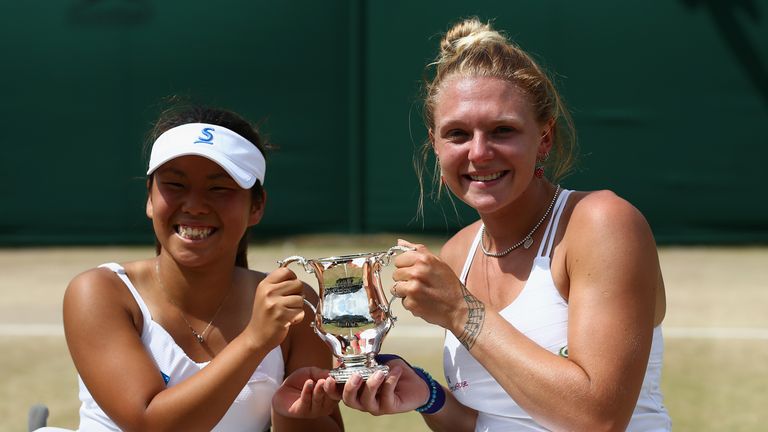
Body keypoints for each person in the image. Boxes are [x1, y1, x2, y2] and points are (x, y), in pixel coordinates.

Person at [327, 17, 672, 431]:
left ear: (544, 138)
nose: (479, 152)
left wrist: (461, 311)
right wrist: (427, 395)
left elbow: (597, 418)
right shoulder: (458, 253)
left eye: (502, 130)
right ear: (435, 145)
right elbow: (489, 421)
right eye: (457, 134)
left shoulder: (602, 223)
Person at [50, 104, 343, 431]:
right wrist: (254, 340)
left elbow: (317, 424)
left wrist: (293, 412)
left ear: (256, 206)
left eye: (219, 189)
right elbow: (149, 424)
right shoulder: (99, 291)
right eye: (175, 185)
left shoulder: (294, 306)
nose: (194, 205)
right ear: (149, 197)